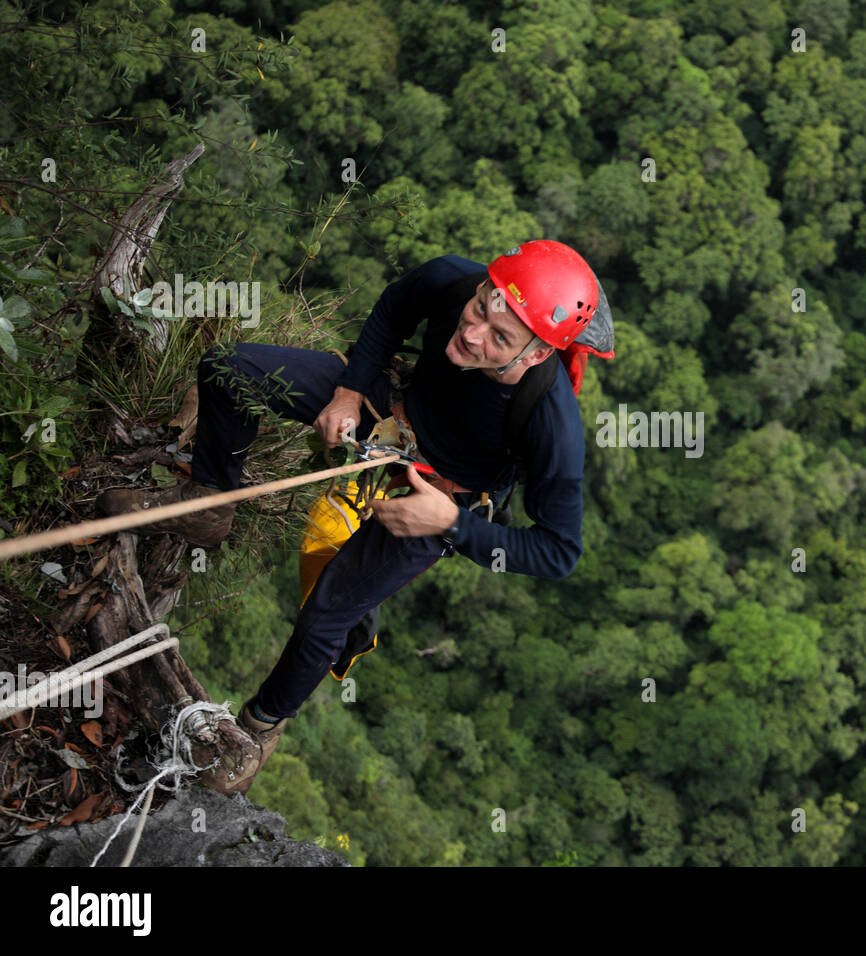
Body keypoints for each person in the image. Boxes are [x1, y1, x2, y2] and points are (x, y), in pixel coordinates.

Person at [96, 240, 614, 794]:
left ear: (536, 355)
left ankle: (255, 733)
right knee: (229, 369)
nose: (473, 332)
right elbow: (395, 306)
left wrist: (450, 524)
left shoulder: (550, 421)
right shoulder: (454, 281)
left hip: (440, 497)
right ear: (485, 285)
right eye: (483, 307)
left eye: (500, 337)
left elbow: (560, 551)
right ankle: (210, 503)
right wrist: (346, 393)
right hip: (386, 412)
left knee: (328, 614)